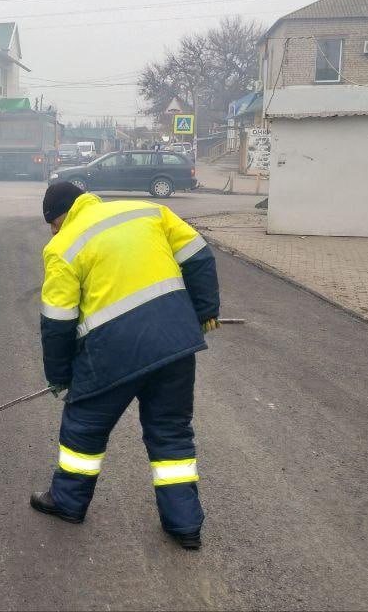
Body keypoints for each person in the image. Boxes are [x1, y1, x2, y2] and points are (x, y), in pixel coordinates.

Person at [31, 181, 220, 550]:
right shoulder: (147, 211)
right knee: (171, 431)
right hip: (174, 344)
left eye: (52, 223)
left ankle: (68, 502)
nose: (53, 231)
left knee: (83, 428)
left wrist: (60, 377)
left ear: (60, 217)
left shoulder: (62, 247)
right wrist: (205, 311)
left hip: (112, 353)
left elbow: (57, 323)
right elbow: (199, 256)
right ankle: (185, 526)